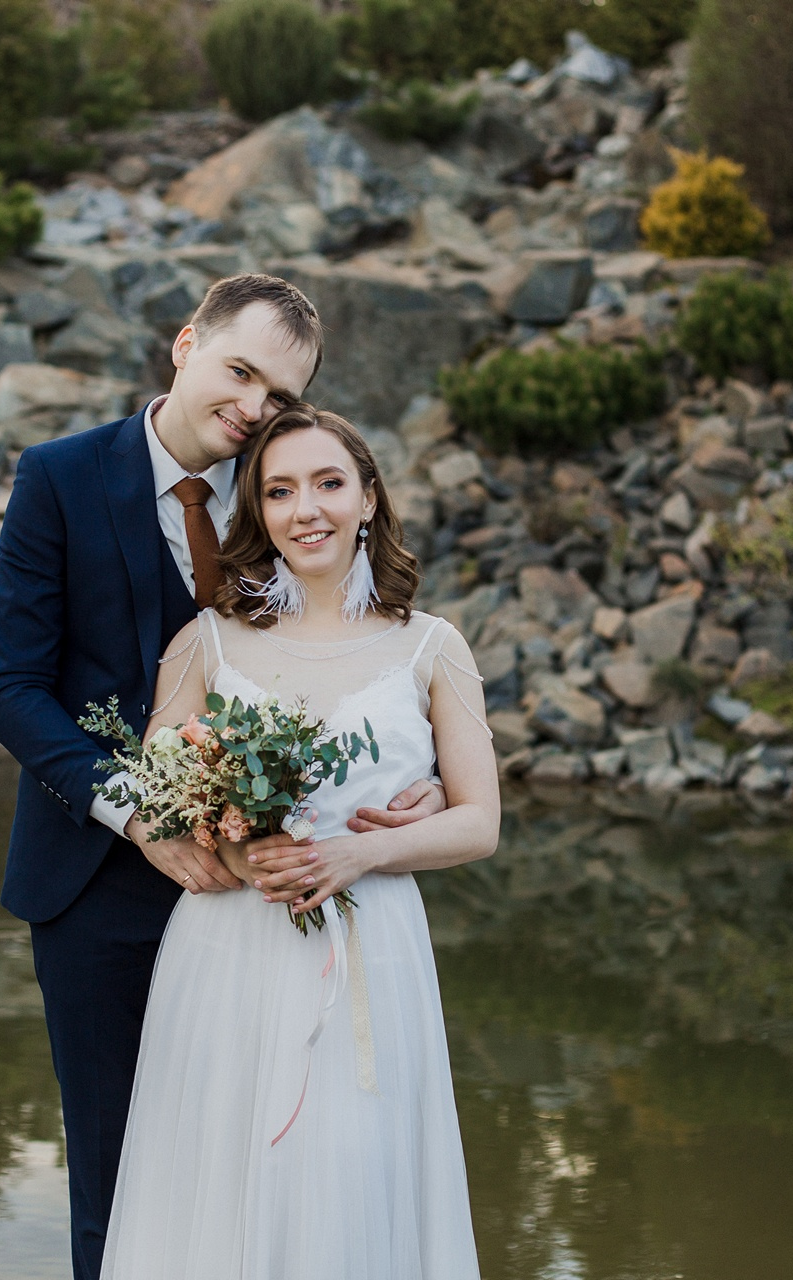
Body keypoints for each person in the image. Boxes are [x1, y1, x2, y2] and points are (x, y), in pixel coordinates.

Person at [0, 275, 448, 1280]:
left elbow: (354, 661)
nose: (251, 407)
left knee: (266, 1175)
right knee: (118, 1182)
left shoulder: (283, 489)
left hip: (263, 909)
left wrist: (427, 779)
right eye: (240, 371)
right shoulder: (58, 476)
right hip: (94, 888)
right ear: (187, 343)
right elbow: (10, 686)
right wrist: (141, 810)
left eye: (277, 396)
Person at [100, 406, 500, 1279]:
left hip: (372, 947)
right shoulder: (204, 642)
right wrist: (240, 852)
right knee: (219, 1178)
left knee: (354, 1174)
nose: (304, 508)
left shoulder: (433, 646)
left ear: (367, 497)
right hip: (228, 951)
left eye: (327, 483)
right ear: (258, 512)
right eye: (278, 490)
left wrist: (360, 854)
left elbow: (479, 822)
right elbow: (157, 794)